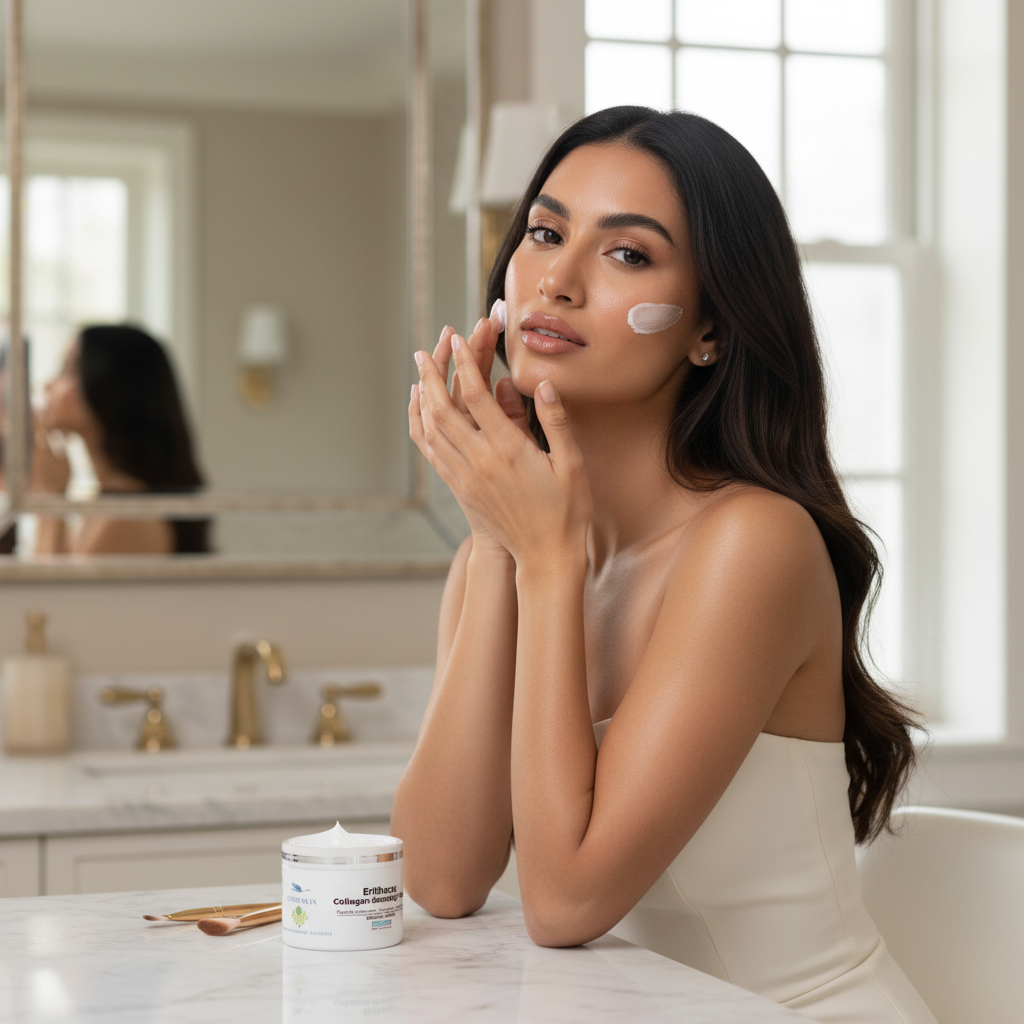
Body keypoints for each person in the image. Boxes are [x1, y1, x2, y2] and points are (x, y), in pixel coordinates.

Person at [391, 107, 937, 1023]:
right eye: (546, 233)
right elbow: (442, 879)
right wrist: (496, 544)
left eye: (627, 254)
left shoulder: (753, 544)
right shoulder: (514, 553)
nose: (557, 280)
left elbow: (564, 903)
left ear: (709, 328)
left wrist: (546, 561)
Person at [32, 324, 210, 555]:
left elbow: (44, 579)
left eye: (68, 370)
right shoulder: (107, 502)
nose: (48, 385)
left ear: (111, 389)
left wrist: (51, 499)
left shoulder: (128, 520)